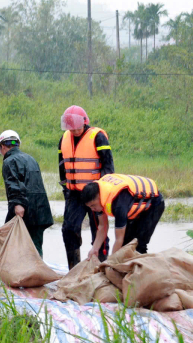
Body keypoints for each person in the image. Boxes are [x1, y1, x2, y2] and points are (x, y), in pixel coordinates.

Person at [59, 105, 115, 268]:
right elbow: (62, 166)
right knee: (68, 229)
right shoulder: (64, 139)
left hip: (95, 193)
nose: (75, 131)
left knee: (99, 231)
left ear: (84, 122)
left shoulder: (98, 137)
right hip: (74, 194)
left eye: (77, 127)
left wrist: (102, 191)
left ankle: (101, 266)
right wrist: (66, 190)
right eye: (71, 128)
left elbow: (108, 166)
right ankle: (74, 268)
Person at [0, 130, 53, 257]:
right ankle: (37, 274)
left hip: (24, 210)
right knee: (36, 247)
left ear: (3, 146)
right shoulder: (30, 158)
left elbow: (13, 184)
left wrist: (17, 204)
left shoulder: (9, 161)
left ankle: (18, 273)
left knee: (8, 241)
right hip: (40, 211)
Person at [81, 174, 165, 257]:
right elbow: (103, 226)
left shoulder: (119, 205)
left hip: (153, 204)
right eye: (89, 207)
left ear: (99, 196)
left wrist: (110, 263)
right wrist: (94, 249)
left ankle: (141, 267)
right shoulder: (99, 198)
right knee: (126, 246)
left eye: (93, 206)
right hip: (131, 204)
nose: (92, 209)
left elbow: (118, 239)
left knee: (138, 245)